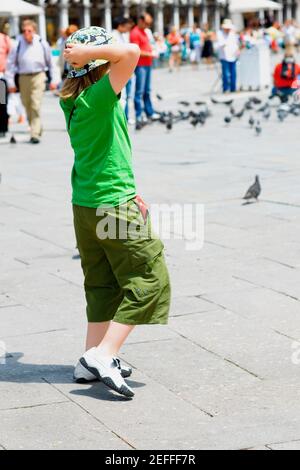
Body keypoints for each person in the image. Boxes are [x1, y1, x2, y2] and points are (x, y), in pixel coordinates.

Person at [60, 27, 171, 398]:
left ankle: (89, 356)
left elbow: (105, 151)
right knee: (150, 277)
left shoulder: (73, 101)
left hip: (86, 203)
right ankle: (106, 354)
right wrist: (95, 55)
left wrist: (131, 187)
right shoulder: (99, 97)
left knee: (102, 283)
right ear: (99, 64)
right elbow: (133, 52)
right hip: (112, 204)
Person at [6, 19, 56, 144]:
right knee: (26, 104)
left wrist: (54, 79)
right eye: (24, 31)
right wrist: (11, 82)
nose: (26, 33)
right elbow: (10, 64)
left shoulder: (41, 42)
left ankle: (34, 133)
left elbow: (51, 63)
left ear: (34, 31)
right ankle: (37, 125)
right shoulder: (17, 44)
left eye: (29, 31)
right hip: (23, 77)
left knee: (35, 103)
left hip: (39, 75)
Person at [130, 14, 156, 130]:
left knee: (147, 90)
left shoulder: (144, 31)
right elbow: (136, 50)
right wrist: (150, 54)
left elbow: (147, 45)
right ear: (140, 20)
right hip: (140, 65)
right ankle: (139, 114)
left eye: (149, 24)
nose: (148, 26)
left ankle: (149, 112)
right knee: (139, 91)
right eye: (146, 23)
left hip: (147, 64)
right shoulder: (135, 32)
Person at [112, 17, 133, 120]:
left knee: (126, 96)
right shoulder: (113, 36)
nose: (128, 28)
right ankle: (122, 118)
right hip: (120, 70)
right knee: (122, 97)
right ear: (120, 26)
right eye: (126, 26)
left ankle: (126, 117)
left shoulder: (122, 35)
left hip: (126, 69)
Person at [217, 19, 240, 94]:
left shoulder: (233, 34)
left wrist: (237, 50)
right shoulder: (220, 33)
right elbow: (220, 44)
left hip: (233, 56)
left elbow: (236, 44)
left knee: (233, 73)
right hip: (224, 56)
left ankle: (233, 88)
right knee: (226, 74)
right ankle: (226, 88)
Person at [0, 22, 11, 137]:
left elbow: (11, 55)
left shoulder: (4, 39)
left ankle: (3, 128)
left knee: (2, 103)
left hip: (1, 76)